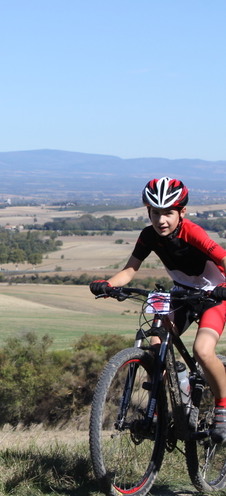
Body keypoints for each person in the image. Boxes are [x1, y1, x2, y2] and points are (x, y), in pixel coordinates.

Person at [90, 177, 226, 442]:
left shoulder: (192, 232)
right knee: (156, 345)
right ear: (148, 212)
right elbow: (130, 269)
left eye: (168, 213)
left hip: (214, 296)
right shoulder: (148, 236)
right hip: (182, 294)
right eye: (155, 213)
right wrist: (108, 285)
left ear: (182, 212)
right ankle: (161, 408)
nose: (161, 220)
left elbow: (221, 257)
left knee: (202, 350)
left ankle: (222, 405)